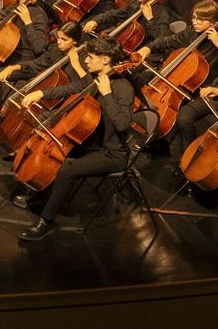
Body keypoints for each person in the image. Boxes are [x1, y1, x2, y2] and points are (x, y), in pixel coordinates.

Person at [15, 36, 134, 241]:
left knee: (67, 169)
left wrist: (106, 95)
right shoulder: (92, 79)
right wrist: (41, 94)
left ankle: (46, 222)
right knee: (55, 152)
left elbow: (122, 124)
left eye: (90, 57)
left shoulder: (123, 88)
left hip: (111, 152)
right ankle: (40, 195)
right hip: (89, 143)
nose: (85, 61)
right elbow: (68, 89)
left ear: (106, 60)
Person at [135, 0, 218, 163]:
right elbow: (166, 41)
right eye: (193, 17)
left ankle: (189, 157)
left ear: (214, 21)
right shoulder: (190, 33)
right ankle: (159, 146)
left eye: (200, 19)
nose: (194, 22)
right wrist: (148, 47)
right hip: (184, 86)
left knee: (184, 117)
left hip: (207, 91)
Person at [82, 0, 171, 48]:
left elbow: (161, 40)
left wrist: (150, 20)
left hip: (140, 52)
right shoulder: (135, 3)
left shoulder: (161, 13)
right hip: (123, 45)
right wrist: (95, 21)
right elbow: (113, 14)